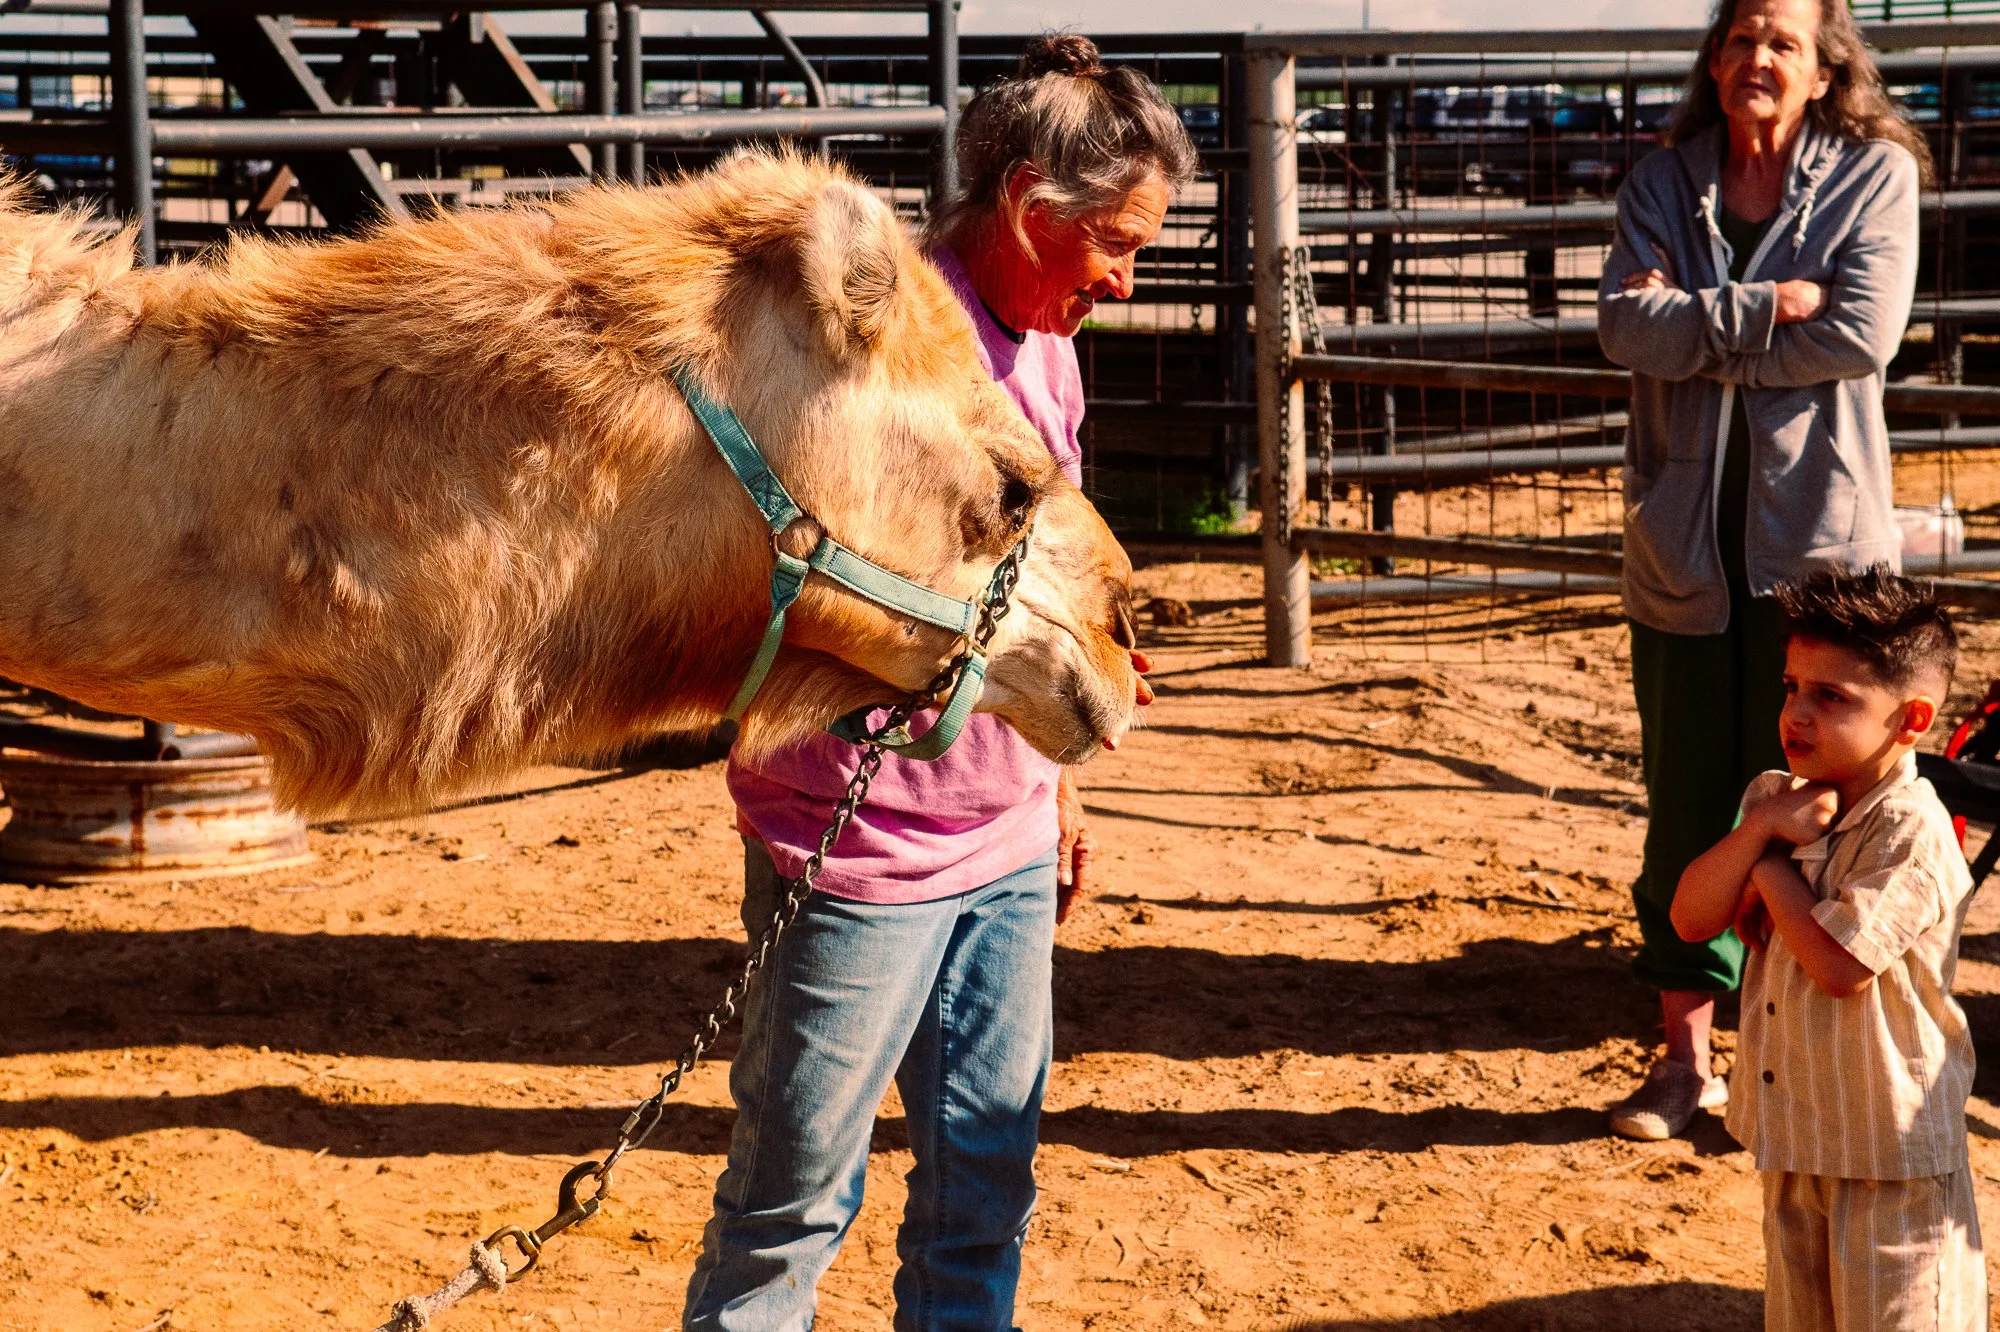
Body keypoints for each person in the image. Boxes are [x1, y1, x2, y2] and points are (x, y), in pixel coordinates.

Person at [683, 34, 1195, 1332]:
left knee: (985, 1186)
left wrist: (1054, 794)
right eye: (1118, 245)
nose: (1127, 284)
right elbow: (798, 603)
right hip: (853, 848)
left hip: (1005, 845)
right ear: (1031, 208)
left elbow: (1034, 596)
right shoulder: (874, 357)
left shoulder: (1050, 352)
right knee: (794, 1201)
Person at [1596, 0, 1926, 1141]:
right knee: (1686, 805)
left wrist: (1690, 320)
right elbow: (1617, 330)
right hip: (1682, 553)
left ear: (1823, 63)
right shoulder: (1661, 182)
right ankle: (1679, 1062)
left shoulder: (1873, 174)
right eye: (1737, 38)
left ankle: (1783, 1063)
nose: (1754, 60)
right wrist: (1760, 306)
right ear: (1712, 58)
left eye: (1780, 40)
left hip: (1819, 556)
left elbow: (1860, 335)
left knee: (1814, 809)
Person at [1671, 567, 1984, 1331]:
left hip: (1889, 1153)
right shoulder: (1771, 798)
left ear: (1911, 719)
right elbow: (1689, 919)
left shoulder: (1910, 831)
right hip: (1797, 1132)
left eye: (1831, 697)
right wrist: (1756, 831)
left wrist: (1772, 872)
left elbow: (1841, 968)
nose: (1796, 713)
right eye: (1791, 686)